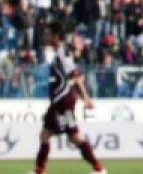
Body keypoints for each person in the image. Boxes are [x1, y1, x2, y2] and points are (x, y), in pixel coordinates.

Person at [29, 21, 106, 174]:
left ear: (56, 35)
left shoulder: (62, 54)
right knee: (45, 134)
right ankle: (38, 171)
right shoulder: (59, 53)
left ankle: (98, 169)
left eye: (47, 34)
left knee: (74, 136)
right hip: (57, 102)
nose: (45, 37)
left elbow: (75, 76)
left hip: (64, 101)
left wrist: (85, 98)